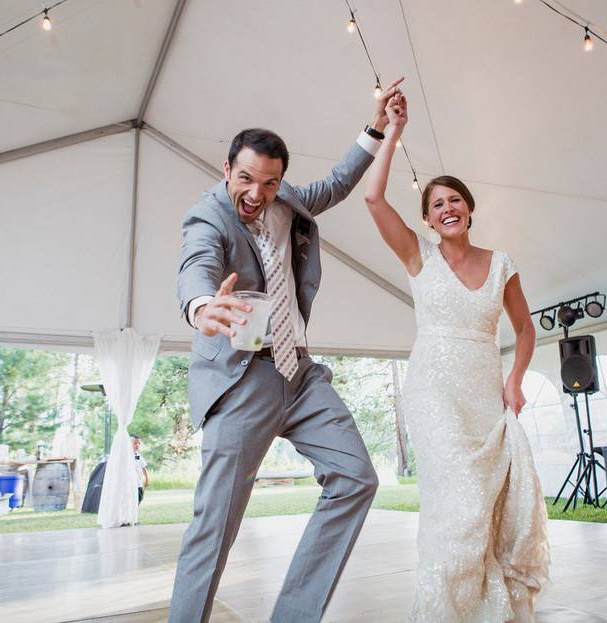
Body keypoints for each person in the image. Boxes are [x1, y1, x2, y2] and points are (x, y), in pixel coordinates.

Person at [170, 77, 404, 623]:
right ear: (227, 169)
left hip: (299, 373)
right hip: (241, 378)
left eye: (269, 183)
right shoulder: (209, 216)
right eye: (246, 178)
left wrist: (377, 126)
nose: (256, 193)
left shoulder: (288, 198)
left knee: (357, 479)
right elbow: (196, 266)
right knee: (215, 527)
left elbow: (341, 181)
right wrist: (202, 307)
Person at [363, 93, 549, 622]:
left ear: (469, 208)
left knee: (486, 509)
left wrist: (514, 380)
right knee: (459, 504)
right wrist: (392, 132)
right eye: (437, 204)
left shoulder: (501, 264)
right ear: (426, 219)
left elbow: (525, 329)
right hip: (434, 393)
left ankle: (480, 608)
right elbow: (374, 201)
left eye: (455, 200)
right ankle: (442, 610)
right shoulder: (417, 257)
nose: (448, 208)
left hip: (485, 395)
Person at [131, 435, 149, 504]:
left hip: (139, 483)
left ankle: (134, 509)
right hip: (131, 483)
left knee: (140, 498)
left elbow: (144, 468)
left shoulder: (139, 456)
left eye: (139, 443)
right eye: (135, 443)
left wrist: (147, 479)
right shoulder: (127, 456)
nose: (137, 445)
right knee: (132, 500)